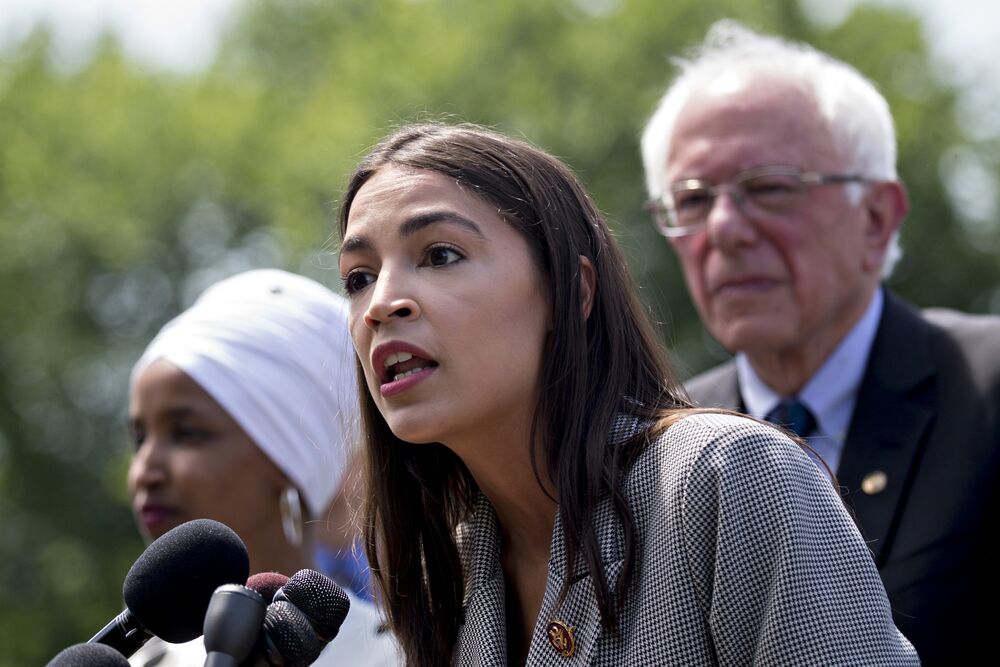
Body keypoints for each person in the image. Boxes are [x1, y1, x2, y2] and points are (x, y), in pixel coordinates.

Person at [336, 122, 917, 665]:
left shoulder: (730, 475)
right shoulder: (449, 569)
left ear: (572, 293)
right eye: (358, 278)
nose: (383, 304)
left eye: (441, 255)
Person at [640, 20, 1000, 665]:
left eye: (769, 188)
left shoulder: (988, 386)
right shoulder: (660, 449)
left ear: (876, 218)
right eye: (692, 200)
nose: (723, 230)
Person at [126, 269, 398, 666]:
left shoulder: (399, 656)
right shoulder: (141, 660)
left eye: (187, 433)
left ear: (289, 456)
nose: (144, 471)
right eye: (139, 439)